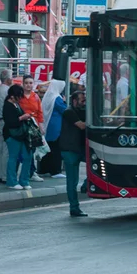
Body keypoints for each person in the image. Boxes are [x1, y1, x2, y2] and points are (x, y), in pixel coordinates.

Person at [59, 89, 89, 217]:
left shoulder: (82, 111)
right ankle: (74, 207)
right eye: (82, 100)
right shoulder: (69, 112)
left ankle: (86, 184)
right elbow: (81, 125)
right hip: (70, 149)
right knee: (72, 181)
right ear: (75, 101)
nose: (84, 103)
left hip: (80, 148)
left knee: (96, 163)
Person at [3, 83, 35, 190]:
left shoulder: (16, 104)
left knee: (27, 156)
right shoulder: (7, 105)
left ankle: (24, 180)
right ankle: (12, 181)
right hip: (12, 135)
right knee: (13, 157)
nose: (20, 98)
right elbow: (10, 122)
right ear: (12, 96)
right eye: (18, 96)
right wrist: (22, 117)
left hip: (21, 135)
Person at [39, 79, 67, 178]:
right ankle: (55, 171)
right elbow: (64, 110)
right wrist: (65, 101)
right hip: (56, 127)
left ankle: (43, 169)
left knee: (47, 148)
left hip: (48, 125)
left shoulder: (48, 96)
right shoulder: (57, 98)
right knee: (56, 149)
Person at [19, 74, 44, 181]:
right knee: (21, 151)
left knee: (32, 150)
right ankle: (27, 171)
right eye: (26, 83)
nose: (28, 85)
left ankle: (31, 172)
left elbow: (40, 112)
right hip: (22, 125)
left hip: (34, 126)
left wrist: (41, 127)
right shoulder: (19, 96)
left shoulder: (36, 97)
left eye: (30, 83)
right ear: (23, 84)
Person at [0, 69, 12, 184]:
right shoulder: (8, 91)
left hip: (0, 119)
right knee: (6, 150)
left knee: (0, 149)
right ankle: (4, 175)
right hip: (7, 121)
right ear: (8, 79)